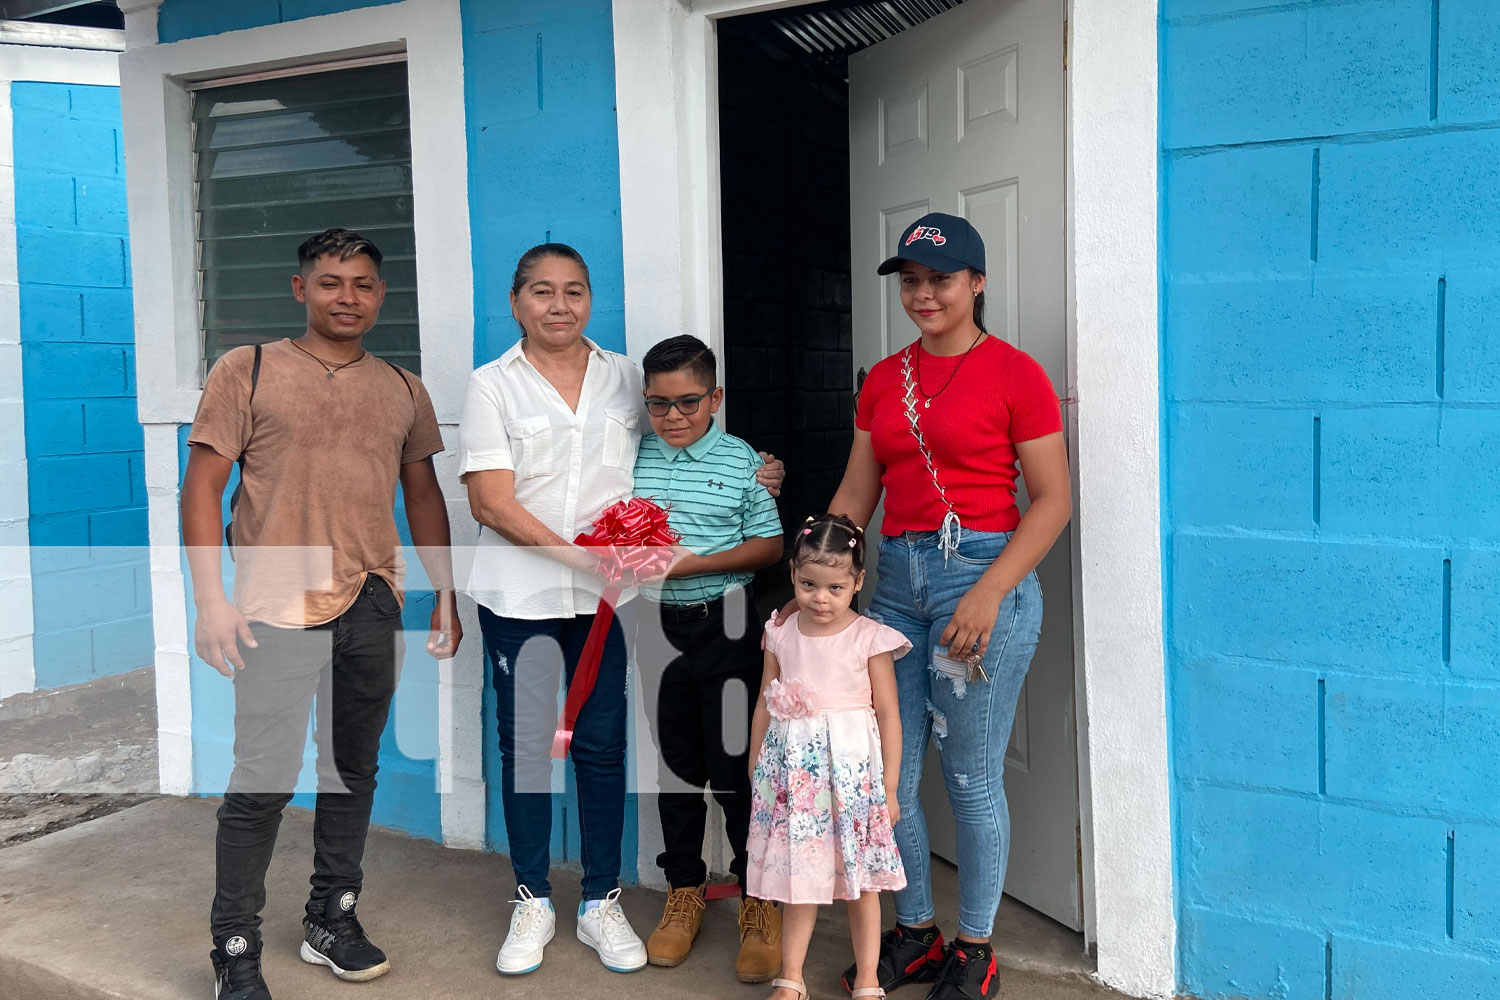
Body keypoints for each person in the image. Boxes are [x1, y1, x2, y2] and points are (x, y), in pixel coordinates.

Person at [458, 244, 785, 977]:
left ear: (589, 300)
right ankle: (533, 899)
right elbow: (490, 502)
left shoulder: (621, 378)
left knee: (605, 750)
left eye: (574, 290)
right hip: (524, 596)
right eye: (541, 291)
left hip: (612, 606)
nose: (559, 304)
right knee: (528, 750)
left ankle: (600, 900)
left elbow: (685, 440)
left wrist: (757, 470)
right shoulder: (491, 386)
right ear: (516, 303)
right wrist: (586, 560)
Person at [787, 213, 1073, 1000]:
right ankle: (913, 931)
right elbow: (856, 492)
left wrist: (989, 591)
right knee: (888, 775)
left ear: (976, 283)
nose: (923, 294)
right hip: (895, 587)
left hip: (979, 575)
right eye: (910, 281)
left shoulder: (1016, 374)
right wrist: (816, 578)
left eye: (939, 279)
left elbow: (1052, 501)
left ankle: (975, 948)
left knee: (972, 778)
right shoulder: (884, 378)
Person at [183, 228, 462, 1000]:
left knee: (352, 771)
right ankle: (234, 950)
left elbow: (423, 494)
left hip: (372, 598)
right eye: (333, 282)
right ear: (300, 288)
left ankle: (331, 916)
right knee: (262, 781)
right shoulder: (250, 369)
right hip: (276, 606)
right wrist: (210, 599)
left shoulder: (402, 387)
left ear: (381, 294)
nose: (350, 297)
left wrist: (443, 590)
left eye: (364, 284)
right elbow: (202, 487)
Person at [629, 335, 785, 981]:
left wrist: (695, 563)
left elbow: (769, 546)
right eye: (658, 404)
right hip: (654, 626)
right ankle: (684, 892)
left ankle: (757, 899)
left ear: (715, 397)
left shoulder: (744, 461)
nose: (673, 416)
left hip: (725, 624)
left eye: (688, 402)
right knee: (675, 769)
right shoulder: (631, 458)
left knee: (732, 771)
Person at [746, 514, 909, 1000]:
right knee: (801, 872)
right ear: (793, 573)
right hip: (797, 778)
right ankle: (791, 976)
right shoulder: (780, 631)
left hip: (852, 775)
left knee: (862, 884)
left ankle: (868, 979)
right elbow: (763, 700)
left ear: (858, 581)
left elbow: (889, 715)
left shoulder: (870, 638)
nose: (821, 598)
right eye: (808, 584)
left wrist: (891, 787)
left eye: (836, 587)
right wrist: (758, 765)